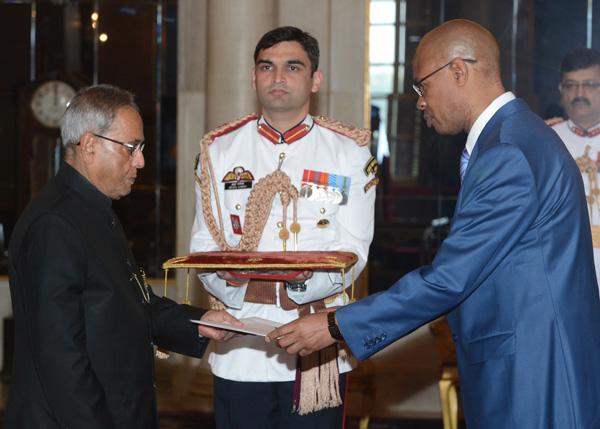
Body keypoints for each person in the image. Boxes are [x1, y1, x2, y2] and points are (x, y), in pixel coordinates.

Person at [267, 19, 600, 428]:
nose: (420, 102)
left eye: (422, 86)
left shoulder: (509, 152)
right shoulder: (513, 138)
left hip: (533, 373)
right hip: (525, 361)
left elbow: (450, 279)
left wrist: (337, 324)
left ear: (458, 71)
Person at [6, 84, 241, 428]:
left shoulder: (95, 209)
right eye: (132, 148)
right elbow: (61, 361)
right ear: (89, 147)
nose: (141, 161)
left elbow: (129, 303)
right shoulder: (55, 223)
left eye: (141, 148)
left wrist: (200, 322)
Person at [190, 26, 376, 428]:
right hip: (240, 344)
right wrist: (234, 285)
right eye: (266, 67)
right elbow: (202, 244)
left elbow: (354, 250)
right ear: (253, 77)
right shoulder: (219, 150)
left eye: (293, 67)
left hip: (315, 338)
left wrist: (296, 287)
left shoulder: (348, 152)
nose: (278, 77)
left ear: (315, 79)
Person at [549, 47, 600, 294]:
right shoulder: (544, 140)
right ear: (561, 90)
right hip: (563, 272)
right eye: (571, 85)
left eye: (589, 84)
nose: (579, 94)